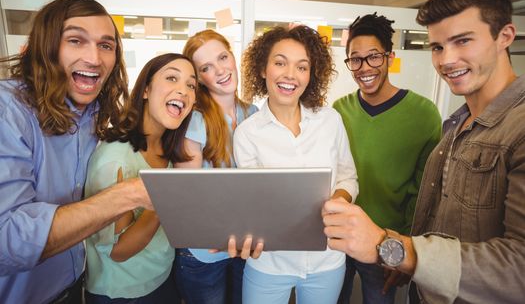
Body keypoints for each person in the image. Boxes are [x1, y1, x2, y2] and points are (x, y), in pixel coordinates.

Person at [323, 0, 525, 304]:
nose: (447, 59)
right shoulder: (458, 124)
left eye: (463, 41)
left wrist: (397, 248)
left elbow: (518, 267)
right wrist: (409, 253)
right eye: (437, 47)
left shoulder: (513, 128)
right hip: (409, 274)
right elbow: (433, 209)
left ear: (505, 36)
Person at [0, 0, 152, 304]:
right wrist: (130, 194)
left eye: (106, 46)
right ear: (47, 46)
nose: (95, 58)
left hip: (74, 287)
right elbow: (6, 241)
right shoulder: (8, 110)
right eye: (76, 40)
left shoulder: (94, 113)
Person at [233, 25, 359, 304]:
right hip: (269, 262)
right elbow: (252, 200)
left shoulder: (330, 121)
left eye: (302, 67)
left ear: (311, 75)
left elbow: (348, 177)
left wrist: (338, 201)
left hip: (327, 258)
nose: (290, 75)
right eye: (280, 63)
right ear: (263, 69)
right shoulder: (247, 134)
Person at [333, 13, 441, 304]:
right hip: (339, 240)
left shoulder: (424, 114)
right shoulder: (338, 111)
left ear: (390, 57)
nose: (364, 68)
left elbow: (425, 193)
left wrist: (406, 250)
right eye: (355, 59)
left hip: (386, 243)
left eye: (373, 57)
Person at [84, 53, 196, 303]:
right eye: (171, 78)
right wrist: (163, 198)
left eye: (191, 85)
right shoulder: (115, 157)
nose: (184, 90)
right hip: (123, 293)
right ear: (146, 89)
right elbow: (118, 250)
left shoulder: (170, 153)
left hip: (163, 279)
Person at [174, 29, 261, 304]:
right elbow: (188, 193)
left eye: (223, 57)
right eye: (207, 68)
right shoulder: (195, 120)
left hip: (243, 247)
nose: (221, 70)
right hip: (205, 250)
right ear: (199, 78)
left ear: (232, 56)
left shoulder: (253, 114)